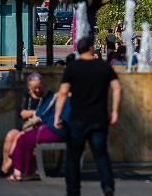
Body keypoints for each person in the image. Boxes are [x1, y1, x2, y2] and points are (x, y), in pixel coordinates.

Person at [54, 34, 121, 196]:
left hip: (78, 119)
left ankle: (73, 191)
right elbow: (117, 87)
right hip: (99, 118)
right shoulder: (104, 67)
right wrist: (114, 111)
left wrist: (57, 116)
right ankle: (107, 186)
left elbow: (63, 92)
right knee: (101, 154)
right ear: (91, 48)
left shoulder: (73, 67)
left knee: (73, 158)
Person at [6, 79, 68, 180]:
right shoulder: (76, 99)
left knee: (22, 139)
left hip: (55, 130)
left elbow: (42, 113)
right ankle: (18, 169)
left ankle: (17, 173)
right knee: (16, 136)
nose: (37, 90)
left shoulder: (58, 97)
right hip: (63, 131)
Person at [0, 72, 49, 178]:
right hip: (26, 126)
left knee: (19, 137)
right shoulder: (27, 95)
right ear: (29, 87)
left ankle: (5, 169)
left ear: (43, 84)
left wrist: (30, 113)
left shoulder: (48, 96)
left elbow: (46, 114)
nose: (37, 90)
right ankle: (4, 166)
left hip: (39, 128)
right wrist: (34, 112)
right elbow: (21, 113)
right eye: (34, 88)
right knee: (10, 136)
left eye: (39, 87)